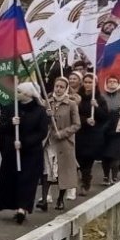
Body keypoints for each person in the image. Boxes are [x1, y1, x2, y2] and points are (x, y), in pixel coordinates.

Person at [0, 81, 52, 224]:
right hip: (12, 152)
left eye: (20, 91)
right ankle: (15, 204)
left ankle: (23, 209)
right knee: (13, 179)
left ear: (28, 94)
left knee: (27, 180)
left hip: (31, 152)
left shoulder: (39, 111)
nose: (16, 94)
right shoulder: (11, 108)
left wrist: (24, 143)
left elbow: (42, 132)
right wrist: (11, 123)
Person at [41, 75, 81, 212]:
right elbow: (40, 121)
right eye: (56, 86)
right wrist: (46, 115)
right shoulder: (48, 102)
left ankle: (60, 199)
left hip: (64, 143)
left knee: (61, 171)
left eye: (61, 87)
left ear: (66, 89)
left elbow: (77, 125)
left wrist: (63, 133)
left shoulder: (71, 104)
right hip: (49, 141)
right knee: (47, 169)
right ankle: (44, 198)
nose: (58, 89)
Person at [77, 73, 107, 195]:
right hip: (80, 132)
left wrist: (97, 107)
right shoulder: (78, 97)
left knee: (88, 159)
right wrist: (85, 120)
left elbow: (104, 116)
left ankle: (85, 182)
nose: (88, 84)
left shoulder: (100, 99)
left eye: (90, 82)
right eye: (86, 82)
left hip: (93, 134)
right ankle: (81, 177)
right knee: (79, 158)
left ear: (95, 84)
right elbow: (74, 114)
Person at [100, 75, 120, 186]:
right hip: (104, 130)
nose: (112, 83)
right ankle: (105, 176)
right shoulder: (102, 97)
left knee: (115, 155)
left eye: (114, 81)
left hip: (118, 130)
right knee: (105, 156)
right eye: (110, 81)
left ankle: (114, 177)